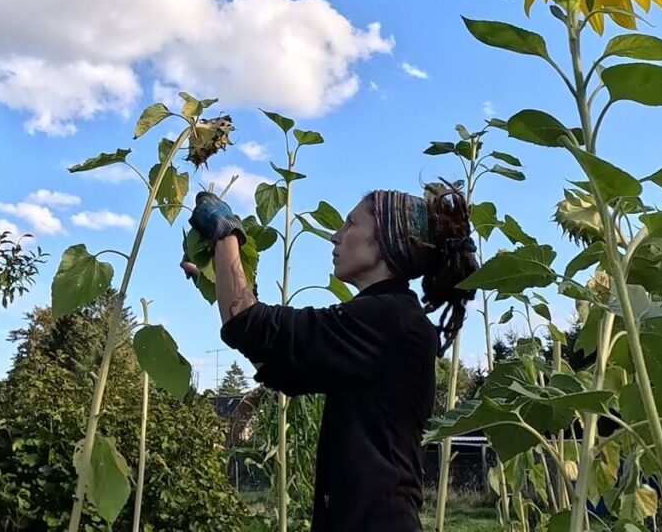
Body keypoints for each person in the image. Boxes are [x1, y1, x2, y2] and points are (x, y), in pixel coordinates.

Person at [182, 184, 478, 531]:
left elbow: (250, 326)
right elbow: (278, 365)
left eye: (351, 224)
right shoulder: (388, 317)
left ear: (383, 240)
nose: (336, 237)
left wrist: (225, 231)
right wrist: (220, 278)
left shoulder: (386, 319)